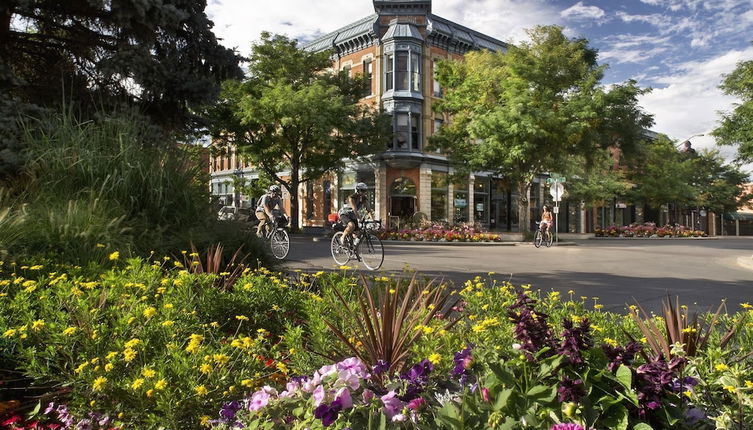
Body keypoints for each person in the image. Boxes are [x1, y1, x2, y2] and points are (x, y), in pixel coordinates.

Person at [340, 182, 373, 246]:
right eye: (363, 191)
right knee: (351, 225)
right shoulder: (351, 198)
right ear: (358, 190)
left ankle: (354, 249)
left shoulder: (364, 198)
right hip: (345, 214)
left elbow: (368, 209)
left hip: (353, 215)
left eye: (365, 191)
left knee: (358, 234)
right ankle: (342, 237)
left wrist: (372, 220)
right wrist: (359, 219)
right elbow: (354, 210)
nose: (364, 192)